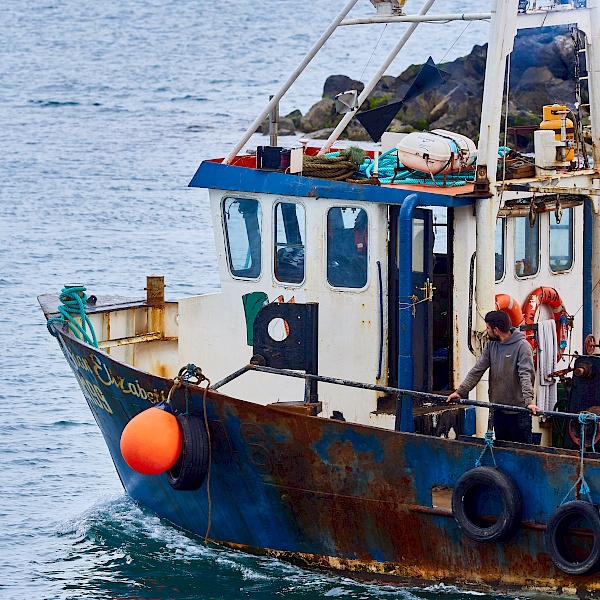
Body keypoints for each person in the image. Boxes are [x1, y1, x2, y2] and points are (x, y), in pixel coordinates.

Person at [447, 310, 538, 444]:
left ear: (496, 330)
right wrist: (460, 392)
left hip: (519, 413)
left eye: (488, 328)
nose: (486, 331)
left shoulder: (522, 347)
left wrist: (529, 402)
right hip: (498, 410)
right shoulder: (491, 345)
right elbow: (477, 370)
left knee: (522, 454)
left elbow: (526, 374)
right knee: (501, 453)